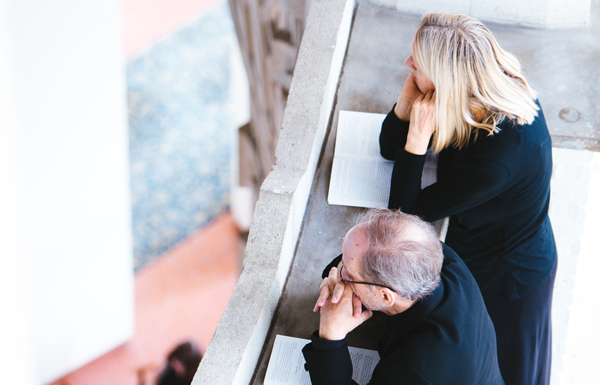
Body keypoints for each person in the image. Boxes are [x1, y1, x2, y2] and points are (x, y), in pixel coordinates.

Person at [379, 13, 557, 385]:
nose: (407, 63)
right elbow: (386, 149)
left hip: (507, 274)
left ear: (446, 77)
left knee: (506, 372)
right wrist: (406, 100)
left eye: (418, 62)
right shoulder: (471, 92)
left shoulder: (498, 159)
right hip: (477, 237)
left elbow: (405, 216)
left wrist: (416, 140)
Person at [303, 209, 504, 385]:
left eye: (349, 275)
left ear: (385, 296)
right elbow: (342, 263)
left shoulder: (416, 371)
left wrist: (330, 337)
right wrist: (342, 278)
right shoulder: (430, 254)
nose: (340, 275)